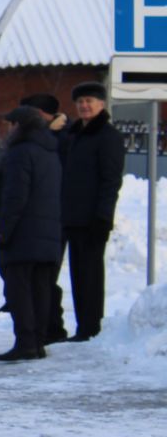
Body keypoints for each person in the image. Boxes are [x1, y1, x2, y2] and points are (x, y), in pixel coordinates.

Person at [0, 104, 63, 362]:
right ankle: (38, 343)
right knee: (41, 289)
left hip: (24, 234)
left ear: (18, 127)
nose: (7, 130)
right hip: (49, 232)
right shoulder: (50, 151)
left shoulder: (20, 153)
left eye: (10, 124)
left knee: (19, 291)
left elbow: (15, 197)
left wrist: (4, 232)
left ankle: (25, 343)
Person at [56, 81, 124, 342]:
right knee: (78, 274)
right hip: (72, 215)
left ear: (102, 104)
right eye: (80, 101)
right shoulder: (75, 134)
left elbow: (110, 181)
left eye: (90, 101)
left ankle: (91, 327)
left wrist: (103, 217)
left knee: (91, 275)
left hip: (93, 218)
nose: (85, 106)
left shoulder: (107, 136)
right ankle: (83, 326)